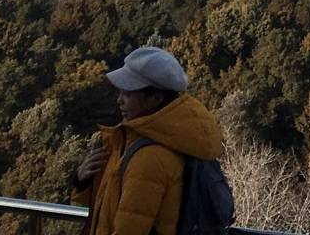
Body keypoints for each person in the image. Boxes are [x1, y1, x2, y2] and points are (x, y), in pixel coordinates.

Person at [74, 46, 227, 235]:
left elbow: (129, 228)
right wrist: (83, 181)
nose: (119, 101)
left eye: (128, 94)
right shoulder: (151, 139)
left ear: (155, 98)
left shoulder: (150, 156)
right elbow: (112, 205)